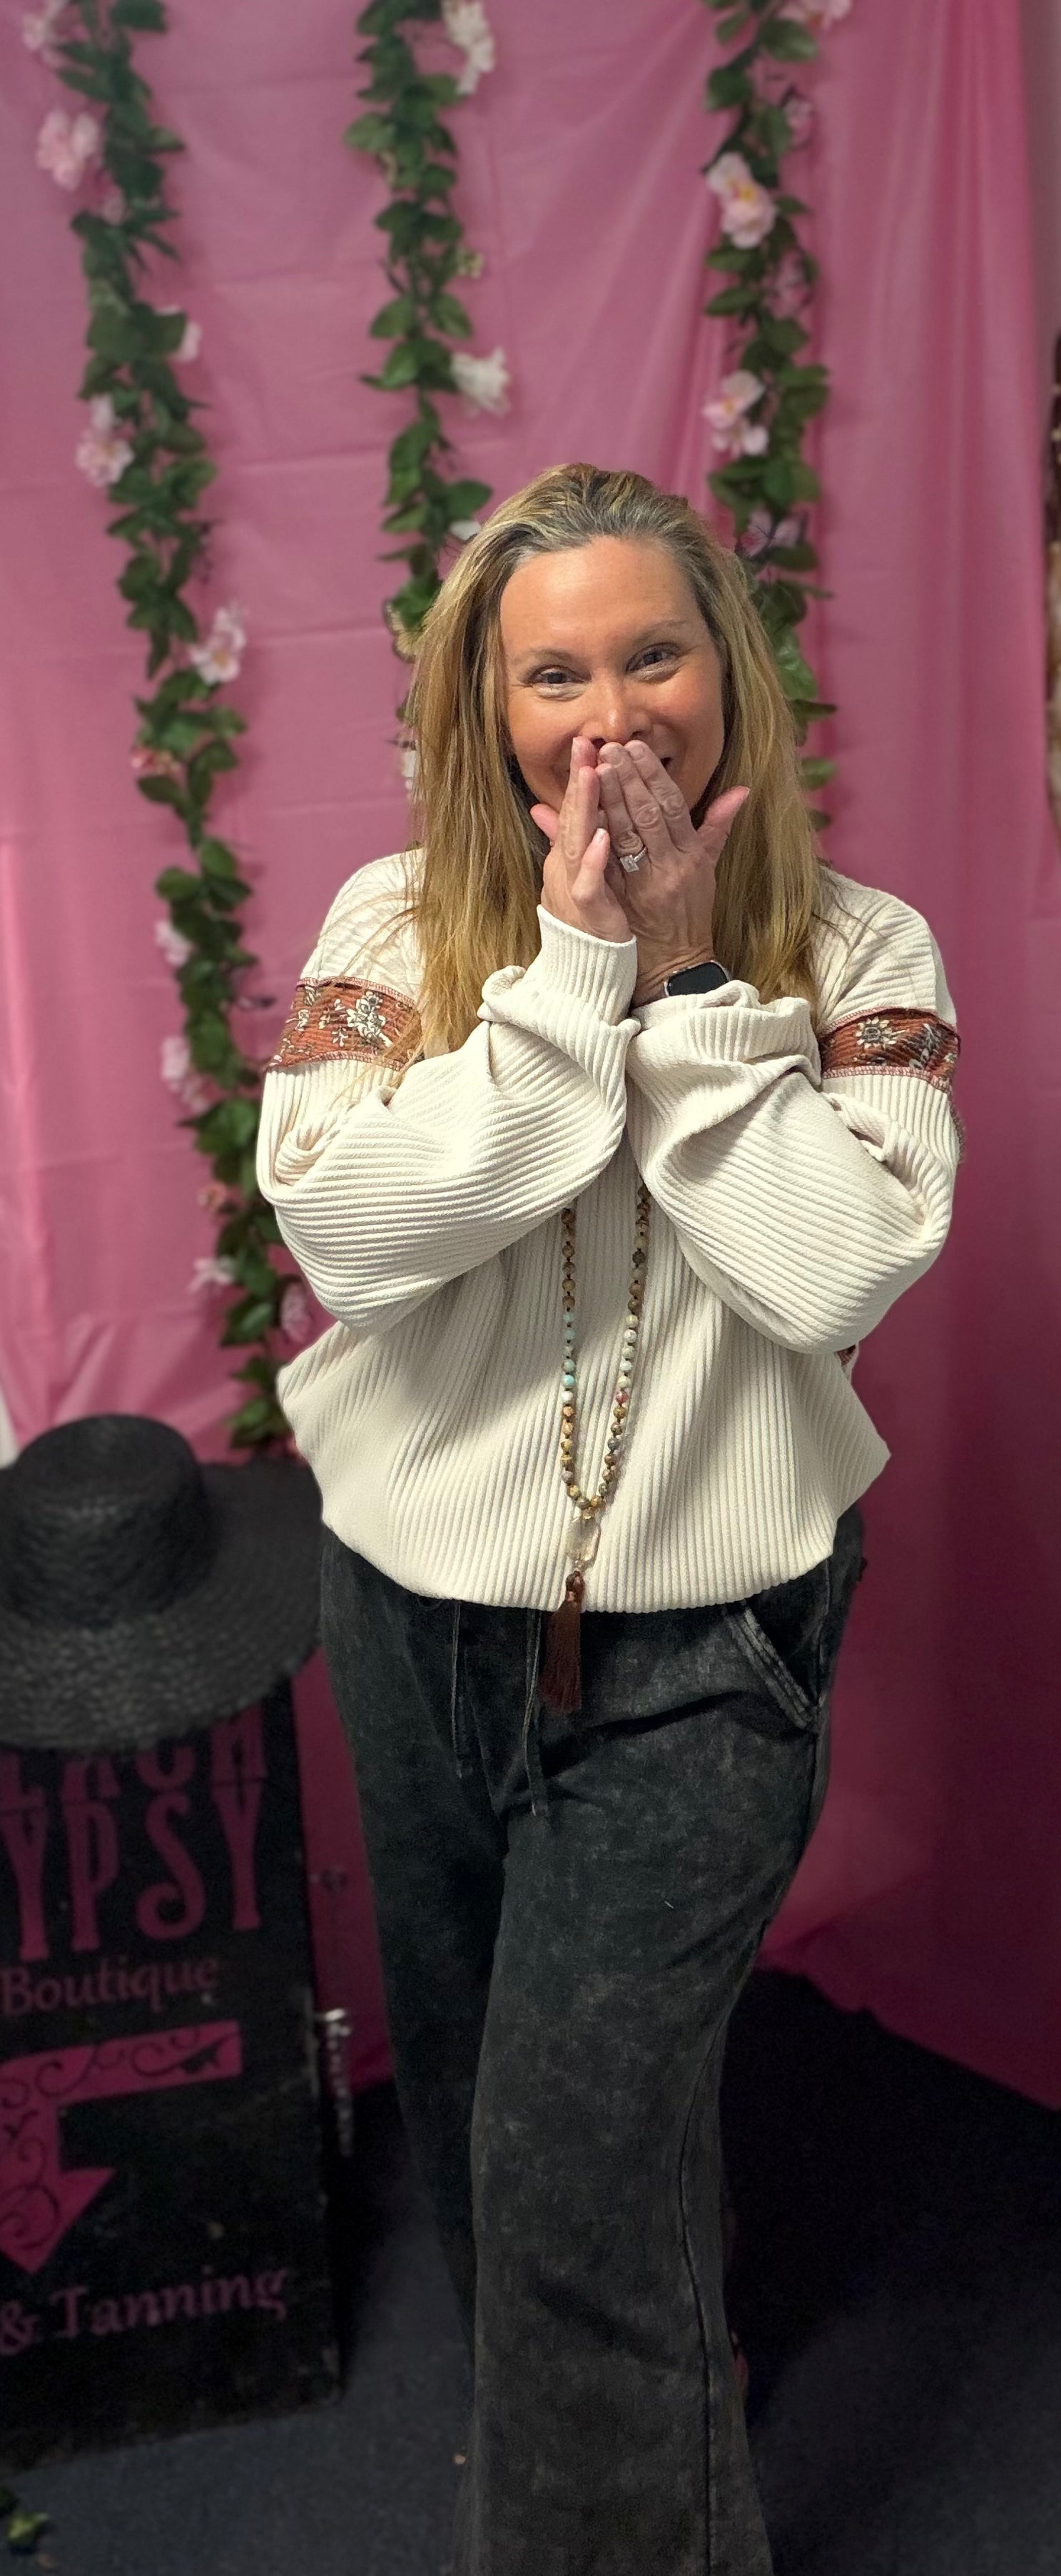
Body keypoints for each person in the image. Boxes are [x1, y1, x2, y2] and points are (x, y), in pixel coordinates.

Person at [256, 463, 961, 2575]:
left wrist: (683, 1000)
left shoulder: (858, 948)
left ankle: (608, 2486)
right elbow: (355, 1232)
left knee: (572, 2168)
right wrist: (566, 968)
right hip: (417, 1614)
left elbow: (835, 1267)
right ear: (490, 711)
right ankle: (609, 2412)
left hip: (705, 1657)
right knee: (501, 2115)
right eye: (550, 671)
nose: (606, 713)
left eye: (650, 652)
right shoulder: (396, 926)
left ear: (726, 671)